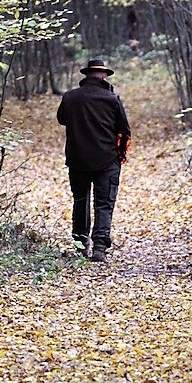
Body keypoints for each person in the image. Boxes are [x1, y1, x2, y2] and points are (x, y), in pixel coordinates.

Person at [56, 59, 131, 262]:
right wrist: (120, 156)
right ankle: (99, 248)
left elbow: (61, 119)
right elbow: (124, 131)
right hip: (107, 160)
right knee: (104, 204)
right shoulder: (112, 99)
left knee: (80, 202)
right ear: (103, 76)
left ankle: (81, 245)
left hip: (77, 159)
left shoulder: (70, 97)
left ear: (87, 75)